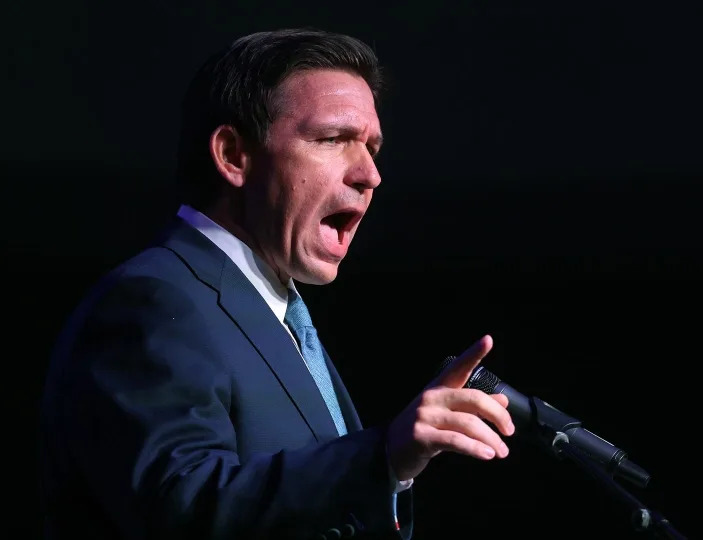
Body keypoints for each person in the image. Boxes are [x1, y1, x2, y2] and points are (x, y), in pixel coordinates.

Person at [39, 28, 515, 540]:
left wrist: (387, 473)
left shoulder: (278, 311)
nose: (370, 174)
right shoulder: (152, 300)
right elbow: (180, 507)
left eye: (372, 147)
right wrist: (381, 456)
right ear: (234, 156)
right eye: (333, 139)